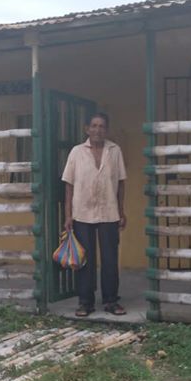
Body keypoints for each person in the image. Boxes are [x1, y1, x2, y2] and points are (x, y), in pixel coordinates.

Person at [62, 112, 127, 316]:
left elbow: (121, 183)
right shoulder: (76, 152)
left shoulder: (114, 151)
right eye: (94, 125)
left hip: (109, 212)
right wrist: (68, 215)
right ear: (87, 129)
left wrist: (121, 211)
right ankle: (85, 302)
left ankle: (111, 301)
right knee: (85, 261)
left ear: (106, 130)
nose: (98, 130)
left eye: (102, 126)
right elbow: (69, 185)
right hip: (82, 213)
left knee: (110, 260)